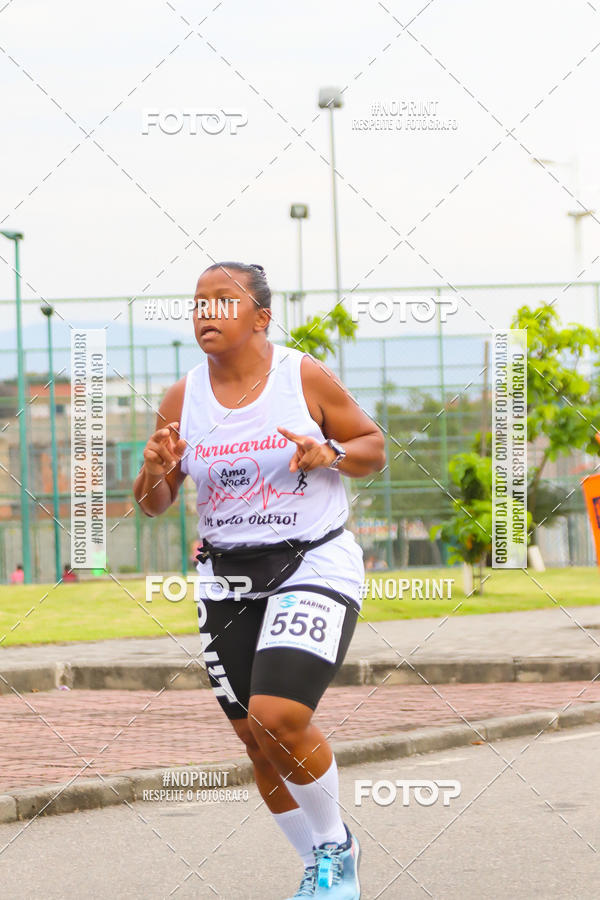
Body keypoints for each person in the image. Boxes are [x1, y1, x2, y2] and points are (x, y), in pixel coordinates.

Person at [133, 262, 385, 899]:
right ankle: (316, 866)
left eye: (223, 302)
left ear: (261, 318)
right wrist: (157, 470)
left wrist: (330, 453)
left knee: (279, 716)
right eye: (198, 304)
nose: (206, 314)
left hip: (313, 563)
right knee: (255, 737)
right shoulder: (181, 398)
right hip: (227, 577)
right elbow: (153, 502)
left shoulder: (301, 377)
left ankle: (337, 851)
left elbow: (372, 446)